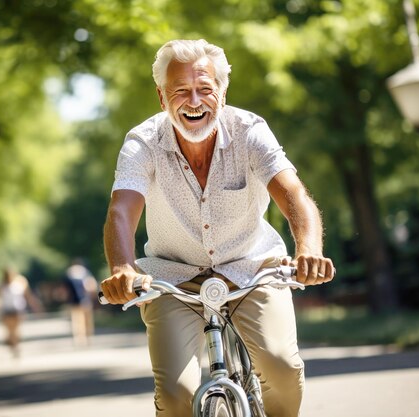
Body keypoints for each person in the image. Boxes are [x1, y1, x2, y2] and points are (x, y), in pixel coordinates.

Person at [100, 39, 335, 417]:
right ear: (162, 98)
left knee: (282, 367)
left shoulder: (250, 131)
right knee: (177, 396)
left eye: (205, 89)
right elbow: (122, 210)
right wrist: (122, 268)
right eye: (181, 91)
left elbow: (293, 194)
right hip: (172, 279)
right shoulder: (142, 143)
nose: (194, 101)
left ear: (222, 93)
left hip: (252, 269)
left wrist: (308, 248)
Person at [0, 267, 41, 356]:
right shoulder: (1, 285)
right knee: (10, 331)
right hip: (6, 310)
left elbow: (28, 296)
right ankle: (12, 344)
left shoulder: (20, 282)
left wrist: (35, 306)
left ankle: (15, 345)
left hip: (17, 310)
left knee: (16, 330)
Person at [63, 258, 98, 346]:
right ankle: (87, 336)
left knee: (76, 320)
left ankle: (78, 338)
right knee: (87, 319)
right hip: (85, 299)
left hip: (73, 300)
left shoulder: (69, 273)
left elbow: (65, 290)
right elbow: (91, 285)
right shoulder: (85, 272)